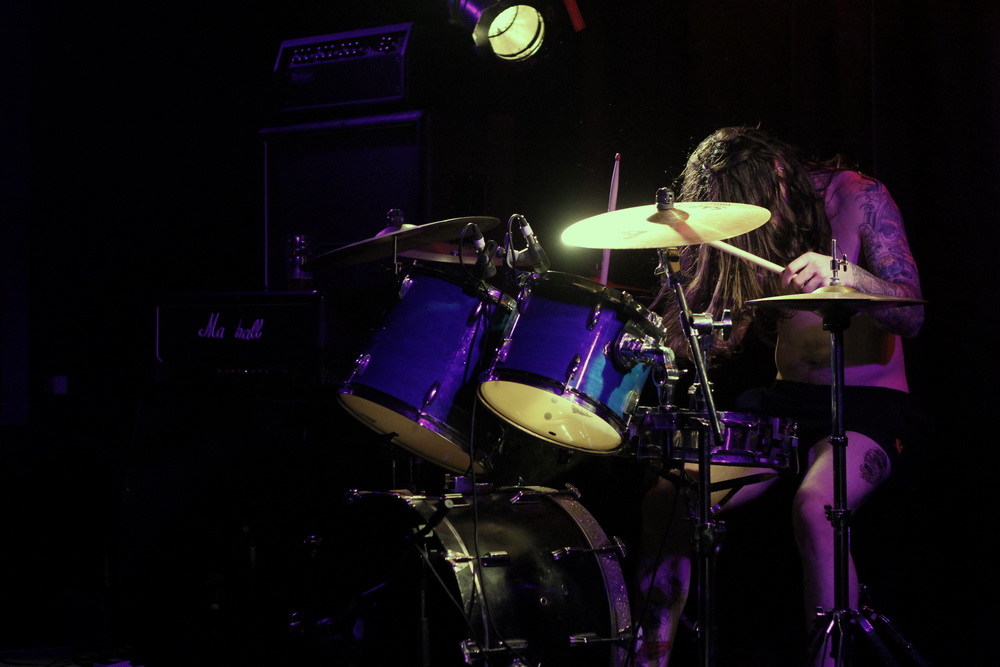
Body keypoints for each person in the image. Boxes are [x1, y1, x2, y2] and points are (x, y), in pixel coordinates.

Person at [633, 126, 924, 666]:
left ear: (779, 175)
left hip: (870, 403)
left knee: (817, 508)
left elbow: (911, 312)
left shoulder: (857, 195)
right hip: (786, 400)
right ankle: (648, 657)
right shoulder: (755, 220)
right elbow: (725, 326)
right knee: (669, 498)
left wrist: (847, 274)